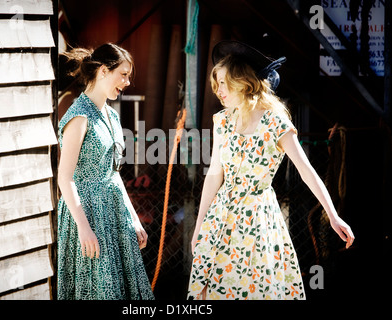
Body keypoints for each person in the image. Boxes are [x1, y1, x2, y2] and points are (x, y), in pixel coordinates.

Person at [188, 40, 354, 300]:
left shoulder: (276, 122)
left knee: (257, 289)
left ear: (243, 81)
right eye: (216, 83)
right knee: (212, 292)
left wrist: (332, 216)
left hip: (259, 219)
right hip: (221, 218)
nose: (218, 90)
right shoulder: (222, 121)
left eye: (223, 82)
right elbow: (214, 175)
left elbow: (306, 170)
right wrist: (200, 225)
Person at [57, 43, 154, 300]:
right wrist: (84, 228)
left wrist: (133, 217)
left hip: (112, 209)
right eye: (122, 74)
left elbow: (113, 174)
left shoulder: (111, 115)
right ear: (102, 71)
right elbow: (64, 177)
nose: (128, 82)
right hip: (85, 212)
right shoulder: (79, 116)